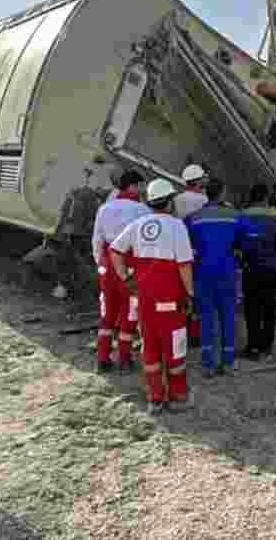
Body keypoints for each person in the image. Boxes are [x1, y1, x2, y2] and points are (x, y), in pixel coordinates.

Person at [109, 178, 195, 415]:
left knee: (151, 352)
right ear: (168, 202)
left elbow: (114, 250)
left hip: (145, 303)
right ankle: (178, 397)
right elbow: (184, 266)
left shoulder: (137, 225)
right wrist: (191, 294)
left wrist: (126, 278)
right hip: (171, 305)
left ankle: (155, 399)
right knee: (175, 352)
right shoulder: (177, 226)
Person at [184, 177, 245, 376]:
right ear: (222, 193)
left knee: (206, 317)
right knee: (228, 315)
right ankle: (227, 362)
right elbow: (242, 243)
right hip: (227, 272)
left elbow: (188, 247)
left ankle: (208, 363)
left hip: (203, 273)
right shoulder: (235, 216)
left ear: (205, 193)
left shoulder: (193, 218)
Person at [91, 170, 150, 373]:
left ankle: (102, 358)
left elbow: (97, 240)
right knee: (129, 312)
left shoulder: (104, 208)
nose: (143, 189)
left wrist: (101, 264)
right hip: (130, 264)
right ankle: (125, 359)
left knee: (108, 313)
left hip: (107, 265)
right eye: (141, 185)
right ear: (133, 186)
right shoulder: (143, 210)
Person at [237, 184, 276, 360]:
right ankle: (267, 346)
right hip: (270, 269)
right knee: (269, 307)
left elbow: (236, 243)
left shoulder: (241, 216)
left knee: (252, 308)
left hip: (250, 269)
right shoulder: (275, 217)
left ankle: (253, 348)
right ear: (266, 197)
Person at [50, 167, 102, 313]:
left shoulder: (72, 194)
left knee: (66, 261)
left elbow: (64, 214)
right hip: (83, 233)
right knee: (82, 261)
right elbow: (94, 215)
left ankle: (64, 288)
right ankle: (84, 290)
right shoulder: (93, 195)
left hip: (70, 232)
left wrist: (57, 232)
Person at [173, 163, 210, 346]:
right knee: (198, 294)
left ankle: (183, 331)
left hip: (180, 252)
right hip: (202, 252)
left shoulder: (177, 200)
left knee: (183, 292)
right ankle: (196, 335)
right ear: (199, 180)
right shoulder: (204, 201)